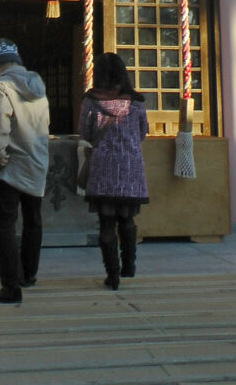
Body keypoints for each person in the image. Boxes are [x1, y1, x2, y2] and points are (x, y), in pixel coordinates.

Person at [0, 38, 50, 304]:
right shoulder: (38, 86)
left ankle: (10, 286)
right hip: (36, 161)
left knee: (5, 224)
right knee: (33, 219)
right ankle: (28, 275)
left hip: (10, 167)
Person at [78, 51, 149, 291]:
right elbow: (142, 133)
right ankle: (129, 265)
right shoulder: (136, 102)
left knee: (106, 222)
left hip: (103, 167)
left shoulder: (91, 101)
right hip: (131, 166)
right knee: (127, 218)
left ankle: (113, 274)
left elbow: (85, 133)